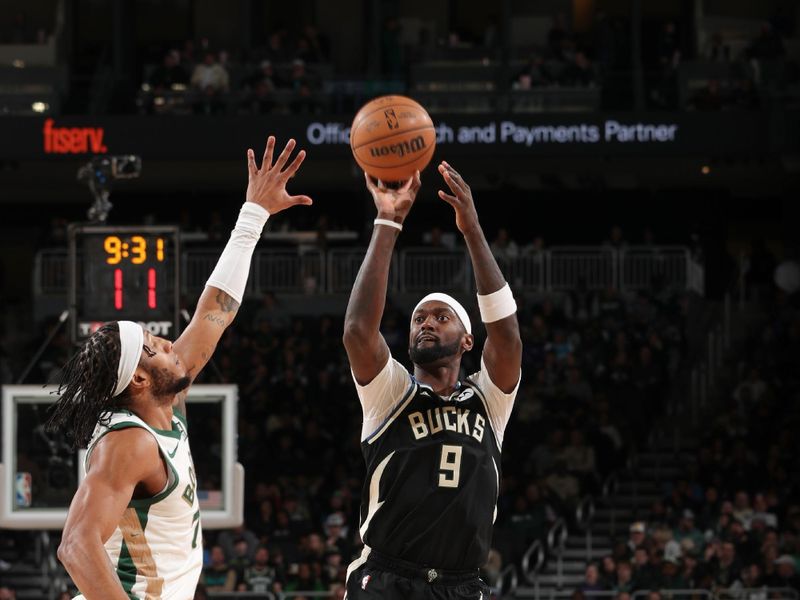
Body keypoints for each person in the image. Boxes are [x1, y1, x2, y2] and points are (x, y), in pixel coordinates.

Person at [46, 137, 312, 600]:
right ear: (138, 379)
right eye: (152, 346)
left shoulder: (162, 401)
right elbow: (74, 546)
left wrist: (253, 215)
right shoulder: (128, 441)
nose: (168, 342)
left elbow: (217, 312)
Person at [342, 161, 522, 599]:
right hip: (386, 579)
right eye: (419, 318)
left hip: (461, 586)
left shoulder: (488, 401)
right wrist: (388, 221)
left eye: (442, 318)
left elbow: (507, 335)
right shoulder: (391, 394)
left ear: (466, 341)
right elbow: (357, 332)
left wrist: (473, 231)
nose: (426, 324)